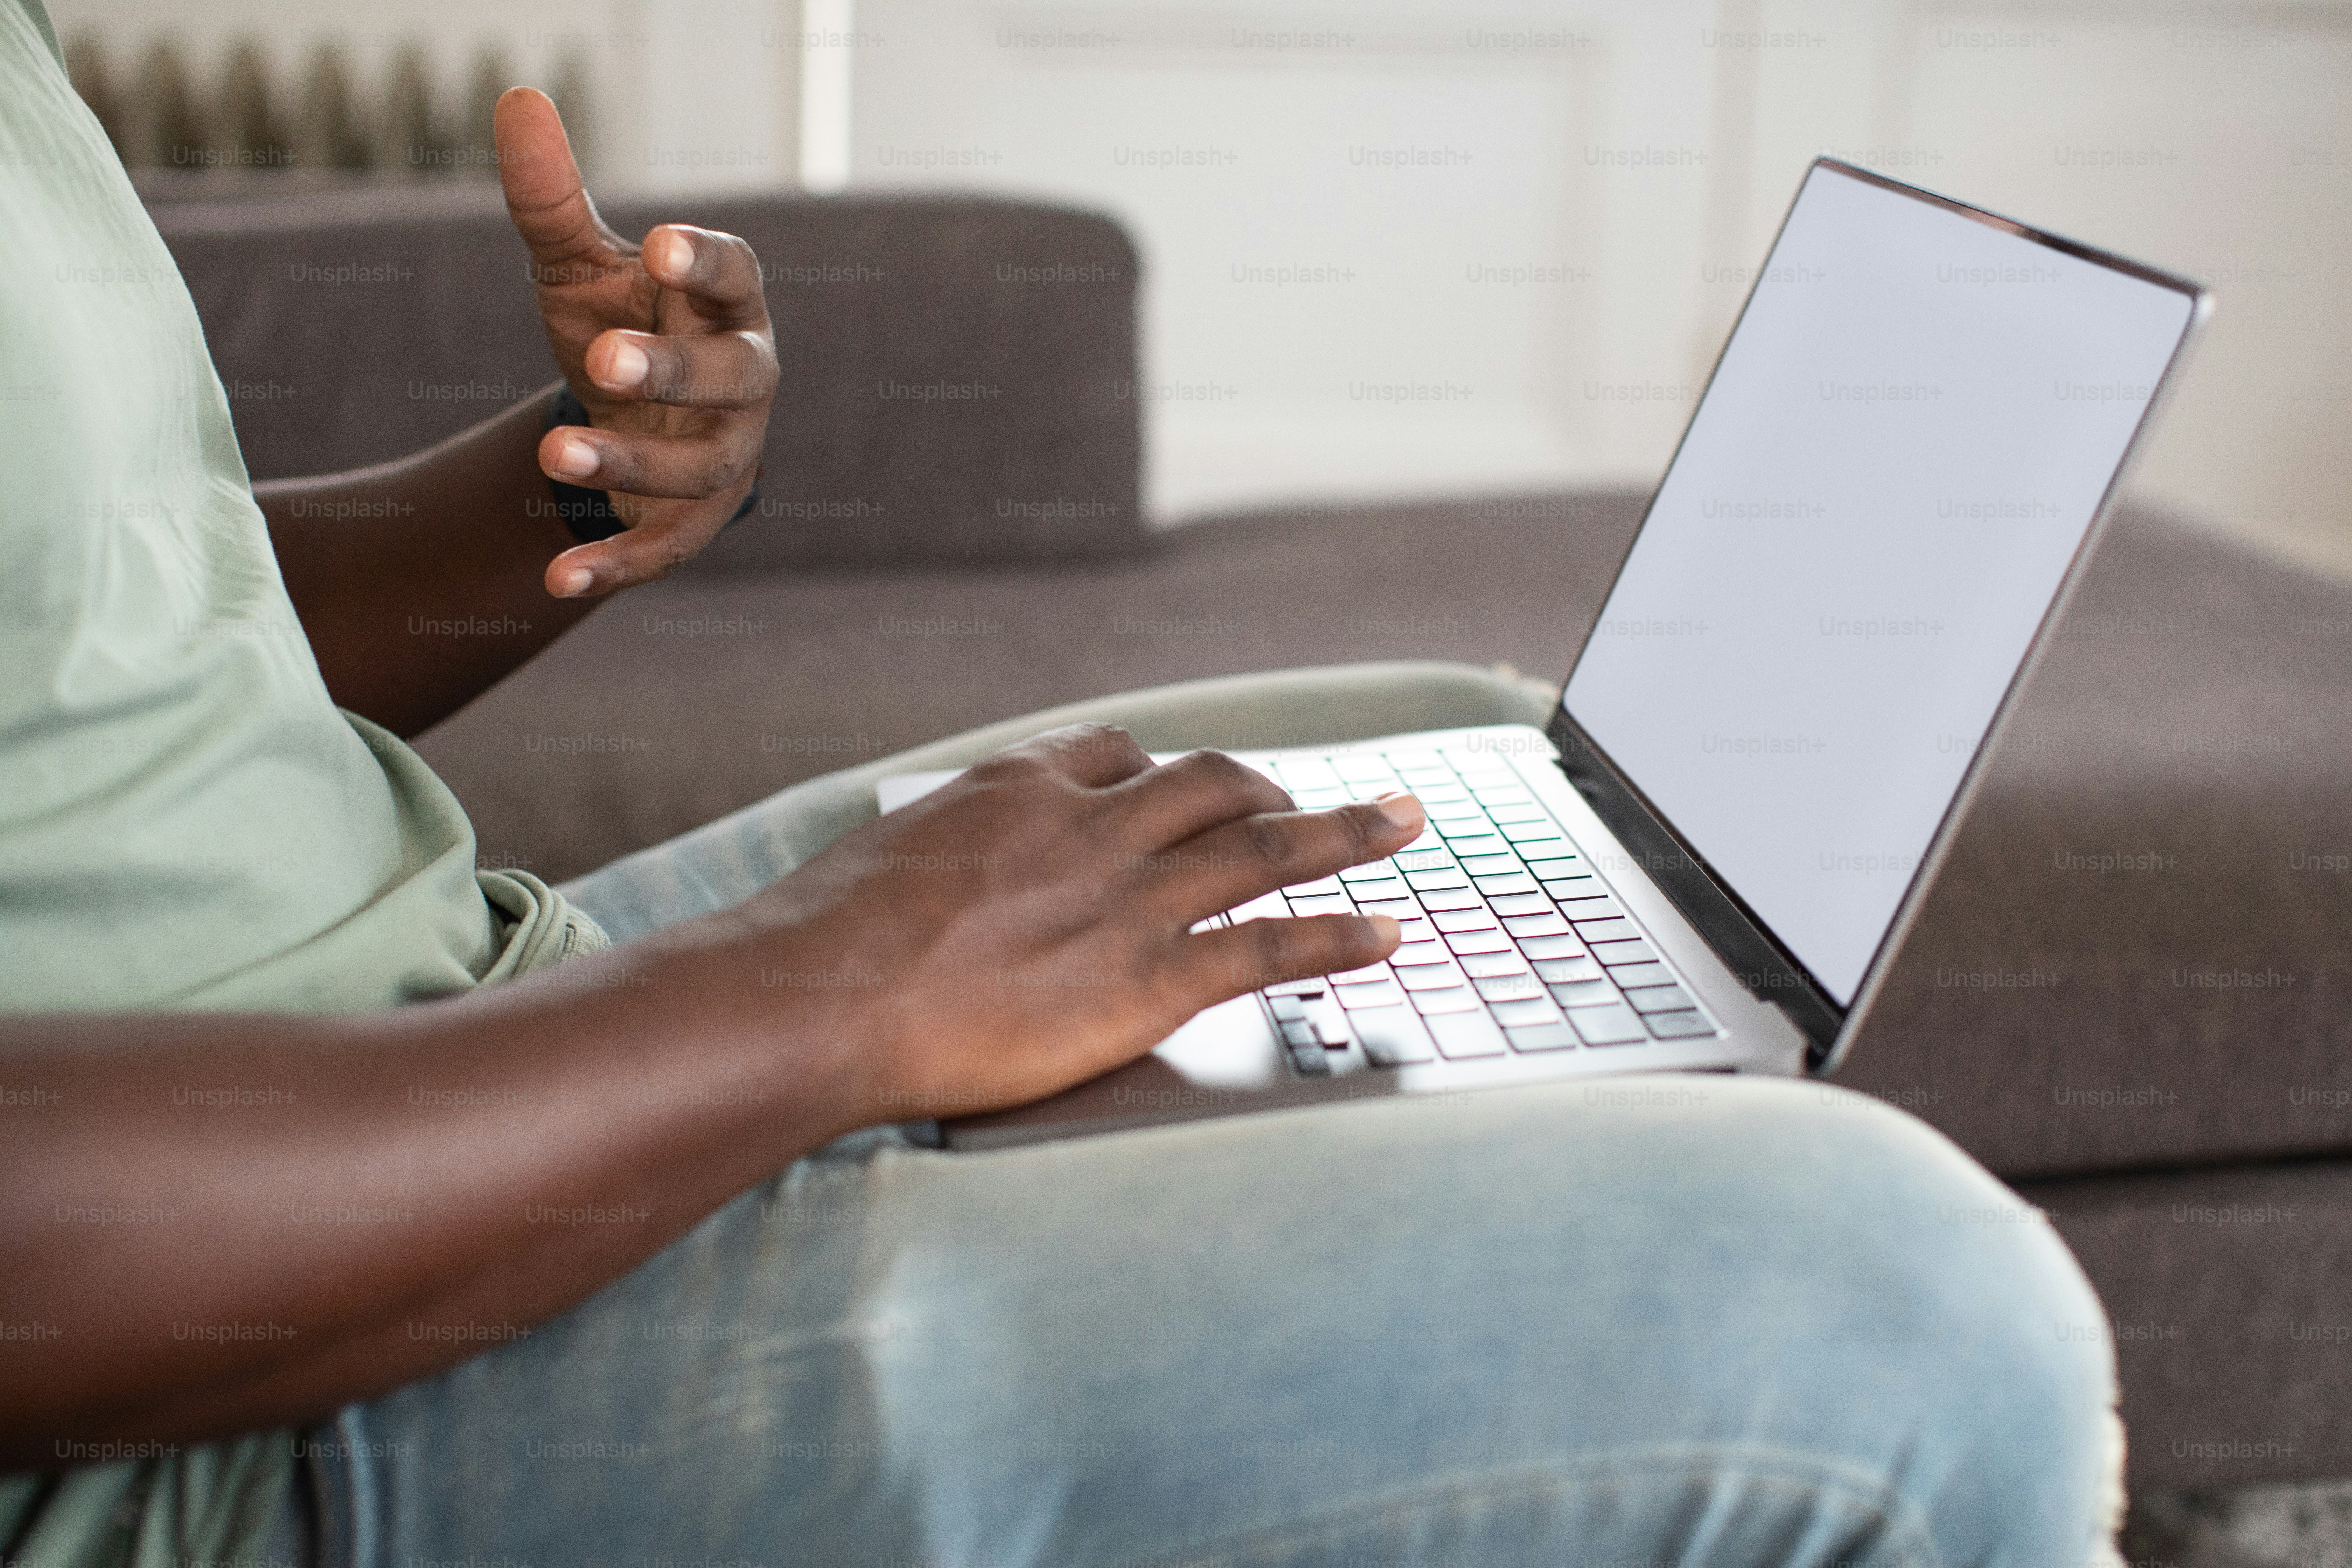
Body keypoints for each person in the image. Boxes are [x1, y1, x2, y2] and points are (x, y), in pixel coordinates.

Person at [0, 5, 2127, 1564]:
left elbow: (109, 624)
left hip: (443, 1032)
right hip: (241, 1417)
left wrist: (568, 478)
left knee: (1441, 732)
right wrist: (813, 1000)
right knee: (1916, 1318)